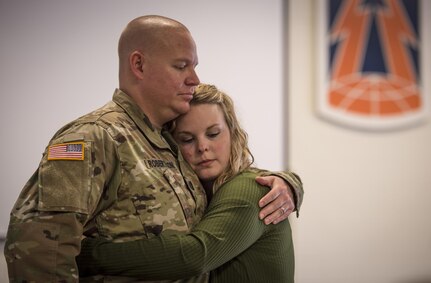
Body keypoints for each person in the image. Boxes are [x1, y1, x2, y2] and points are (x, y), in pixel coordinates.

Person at [4, 15, 303, 282]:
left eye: (194, 66)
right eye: (181, 66)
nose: (194, 79)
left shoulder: (162, 140)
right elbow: (40, 249)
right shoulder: (93, 137)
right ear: (139, 65)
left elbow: (227, 201)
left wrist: (289, 182)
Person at [77, 84, 296, 282]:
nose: (202, 147)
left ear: (233, 134)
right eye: (187, 139)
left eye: (213, 134)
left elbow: (195, 256)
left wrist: (86, 254)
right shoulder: (198, 196)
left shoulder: (251, 188)